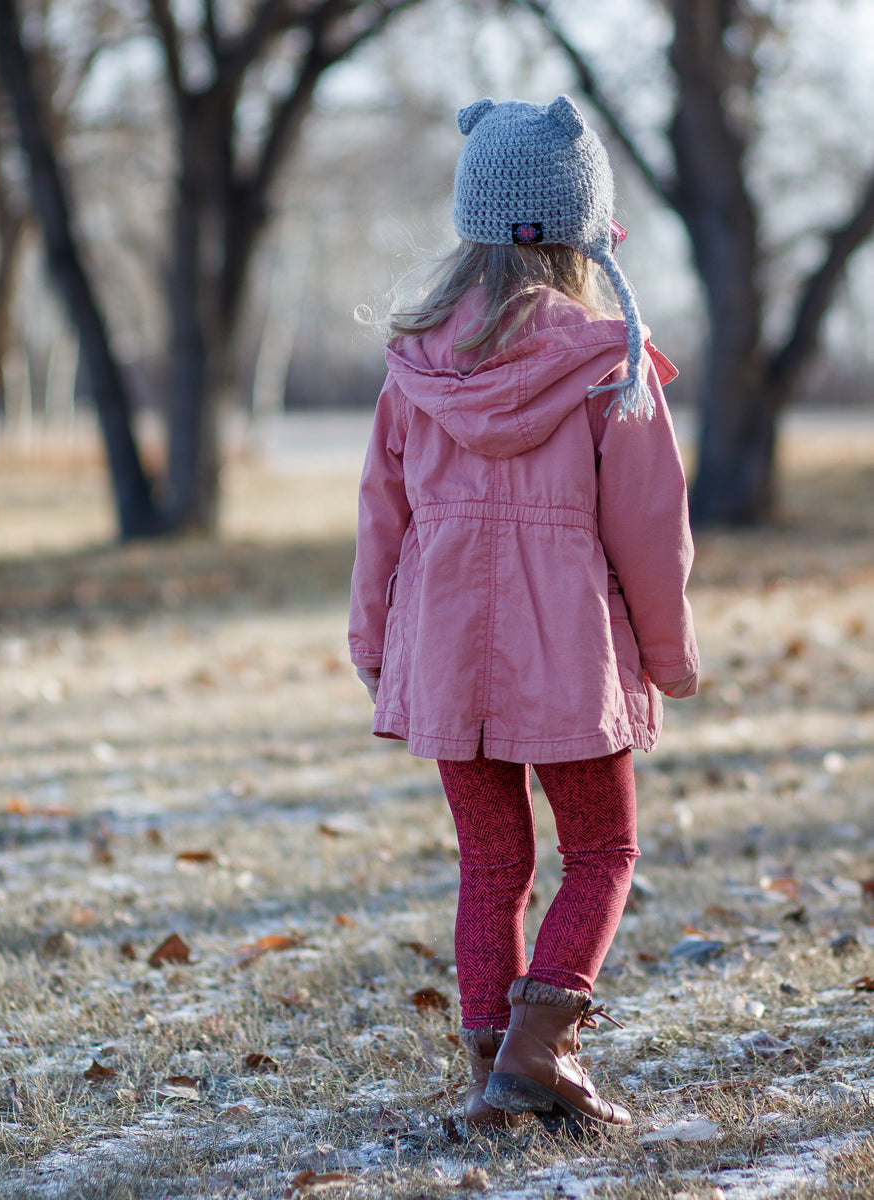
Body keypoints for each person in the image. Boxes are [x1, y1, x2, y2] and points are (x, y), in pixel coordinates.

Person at [348, 96, 699, 1133]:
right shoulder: (610, 366)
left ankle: (492, 1081)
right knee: (603, 851)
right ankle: (536, 1058)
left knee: (491, 864)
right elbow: (650, 531)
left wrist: (375, 645)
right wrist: (670, 658)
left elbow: (381, 520)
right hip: (569, 658)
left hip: (447, 650)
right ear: (587, 231)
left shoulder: (415, 365)